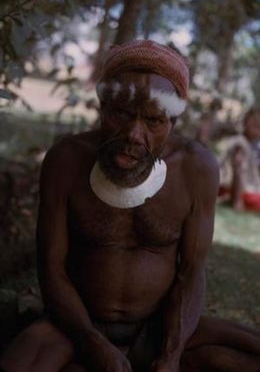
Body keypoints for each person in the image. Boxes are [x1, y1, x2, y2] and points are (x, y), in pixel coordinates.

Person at [0, 40, 260, 372]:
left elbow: (191, 272)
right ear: (103, 108)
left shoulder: (197, 168)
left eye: (153, 120)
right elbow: (52, 268)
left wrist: (172, 354)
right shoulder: (66, 160)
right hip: (75, 326)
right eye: (122, 114)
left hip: (156, 328)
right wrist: (92, 343)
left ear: (172, 124)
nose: (134, 134)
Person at [219, 107, 260, 211]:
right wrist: (238, 201)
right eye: (255, 123)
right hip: (233, 189)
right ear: (245, 124)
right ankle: (231, 198)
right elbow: (238, 169)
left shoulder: (247, 144)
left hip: (237, 190)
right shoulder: (240, 143)